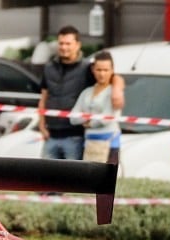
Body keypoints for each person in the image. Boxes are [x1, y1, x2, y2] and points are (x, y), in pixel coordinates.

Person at [38, 25, 124, 160]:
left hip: (75, 137)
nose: (64, 47)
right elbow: (44, 98)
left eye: (68, 43)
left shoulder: (87, 68)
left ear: (78, 45)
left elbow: (111, 76)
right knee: (46, 179)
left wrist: (117, 90)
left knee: (73, 179)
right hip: (50, 135)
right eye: (61, 43)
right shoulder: (49, 67)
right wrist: (42, 126)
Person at [69, 51, 122, 164]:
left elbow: (105, 119)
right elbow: (73, 117)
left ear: (112, 70)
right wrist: (91, 119)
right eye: (98, 70)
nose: (102, 74)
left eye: (105, 70)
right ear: (93, 69)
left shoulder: (114, 92)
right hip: (89, 143)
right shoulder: (86, 92)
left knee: (107, 180)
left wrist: (88, 122)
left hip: (110, 144)